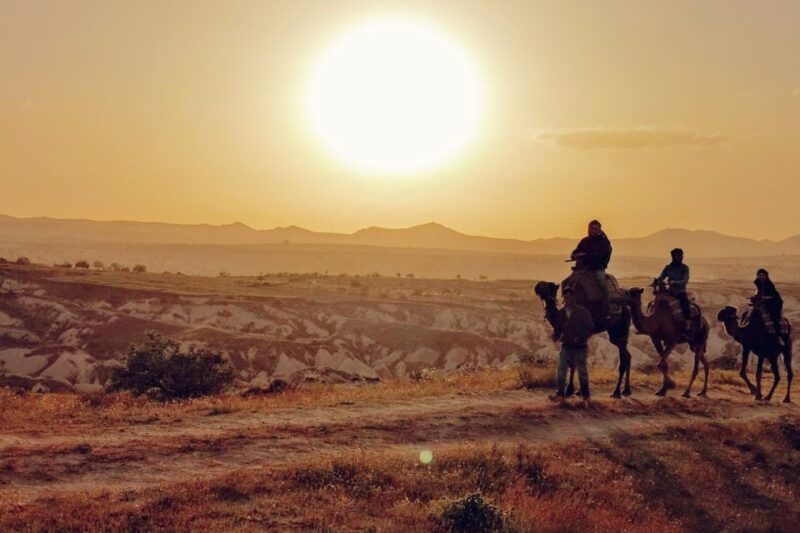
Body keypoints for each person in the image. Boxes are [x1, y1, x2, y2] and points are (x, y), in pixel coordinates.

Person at [551, 287, 595, 401]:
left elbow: (590, 328)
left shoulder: (582, 312)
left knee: (582, 372)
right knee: (561, 371)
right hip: (566, 346)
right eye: (565, 297)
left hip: (579, 347)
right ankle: (560, 394)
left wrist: (581, 338)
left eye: (570, 297)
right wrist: (555, 335)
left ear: (574, 298)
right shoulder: (561, 313)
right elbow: (558, 328)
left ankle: (585, 396)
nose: (567, 299)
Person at [570, 220, 612, 301]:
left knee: (602, 283)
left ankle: (608, 303)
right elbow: (577, 251)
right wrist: (574, 255)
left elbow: (602, 255)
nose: (593, 230)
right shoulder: (584, 241)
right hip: (581, 269)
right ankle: (567, 302)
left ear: (599, 230)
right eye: (591, 228)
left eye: (595, 229)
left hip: (596, 268)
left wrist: (585, 255)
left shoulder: (603, 242)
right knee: (568, 282)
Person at [655, 248, 691, 331]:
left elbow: (685, 280)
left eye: (681, 255)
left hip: (680, 292)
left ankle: (688, 322)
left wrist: (675, 282)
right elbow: (662, 277)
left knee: (684, 304)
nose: (681, 257)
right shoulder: (668, 268)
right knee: (656, 303)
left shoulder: (685, 268)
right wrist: (657, 281)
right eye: (678, 256)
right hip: (669, 292)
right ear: (673, 257)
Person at [754, 268, 783, 333]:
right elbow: (758, 293)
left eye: (762, 275)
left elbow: (774, 296)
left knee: (775, 318)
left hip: (773, 303)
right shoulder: (758, 284)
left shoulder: (770, 285)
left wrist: (764, 297)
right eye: (759, 275)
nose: (761, 277)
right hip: (761, 303)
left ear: (766, 276)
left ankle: (777, 335)